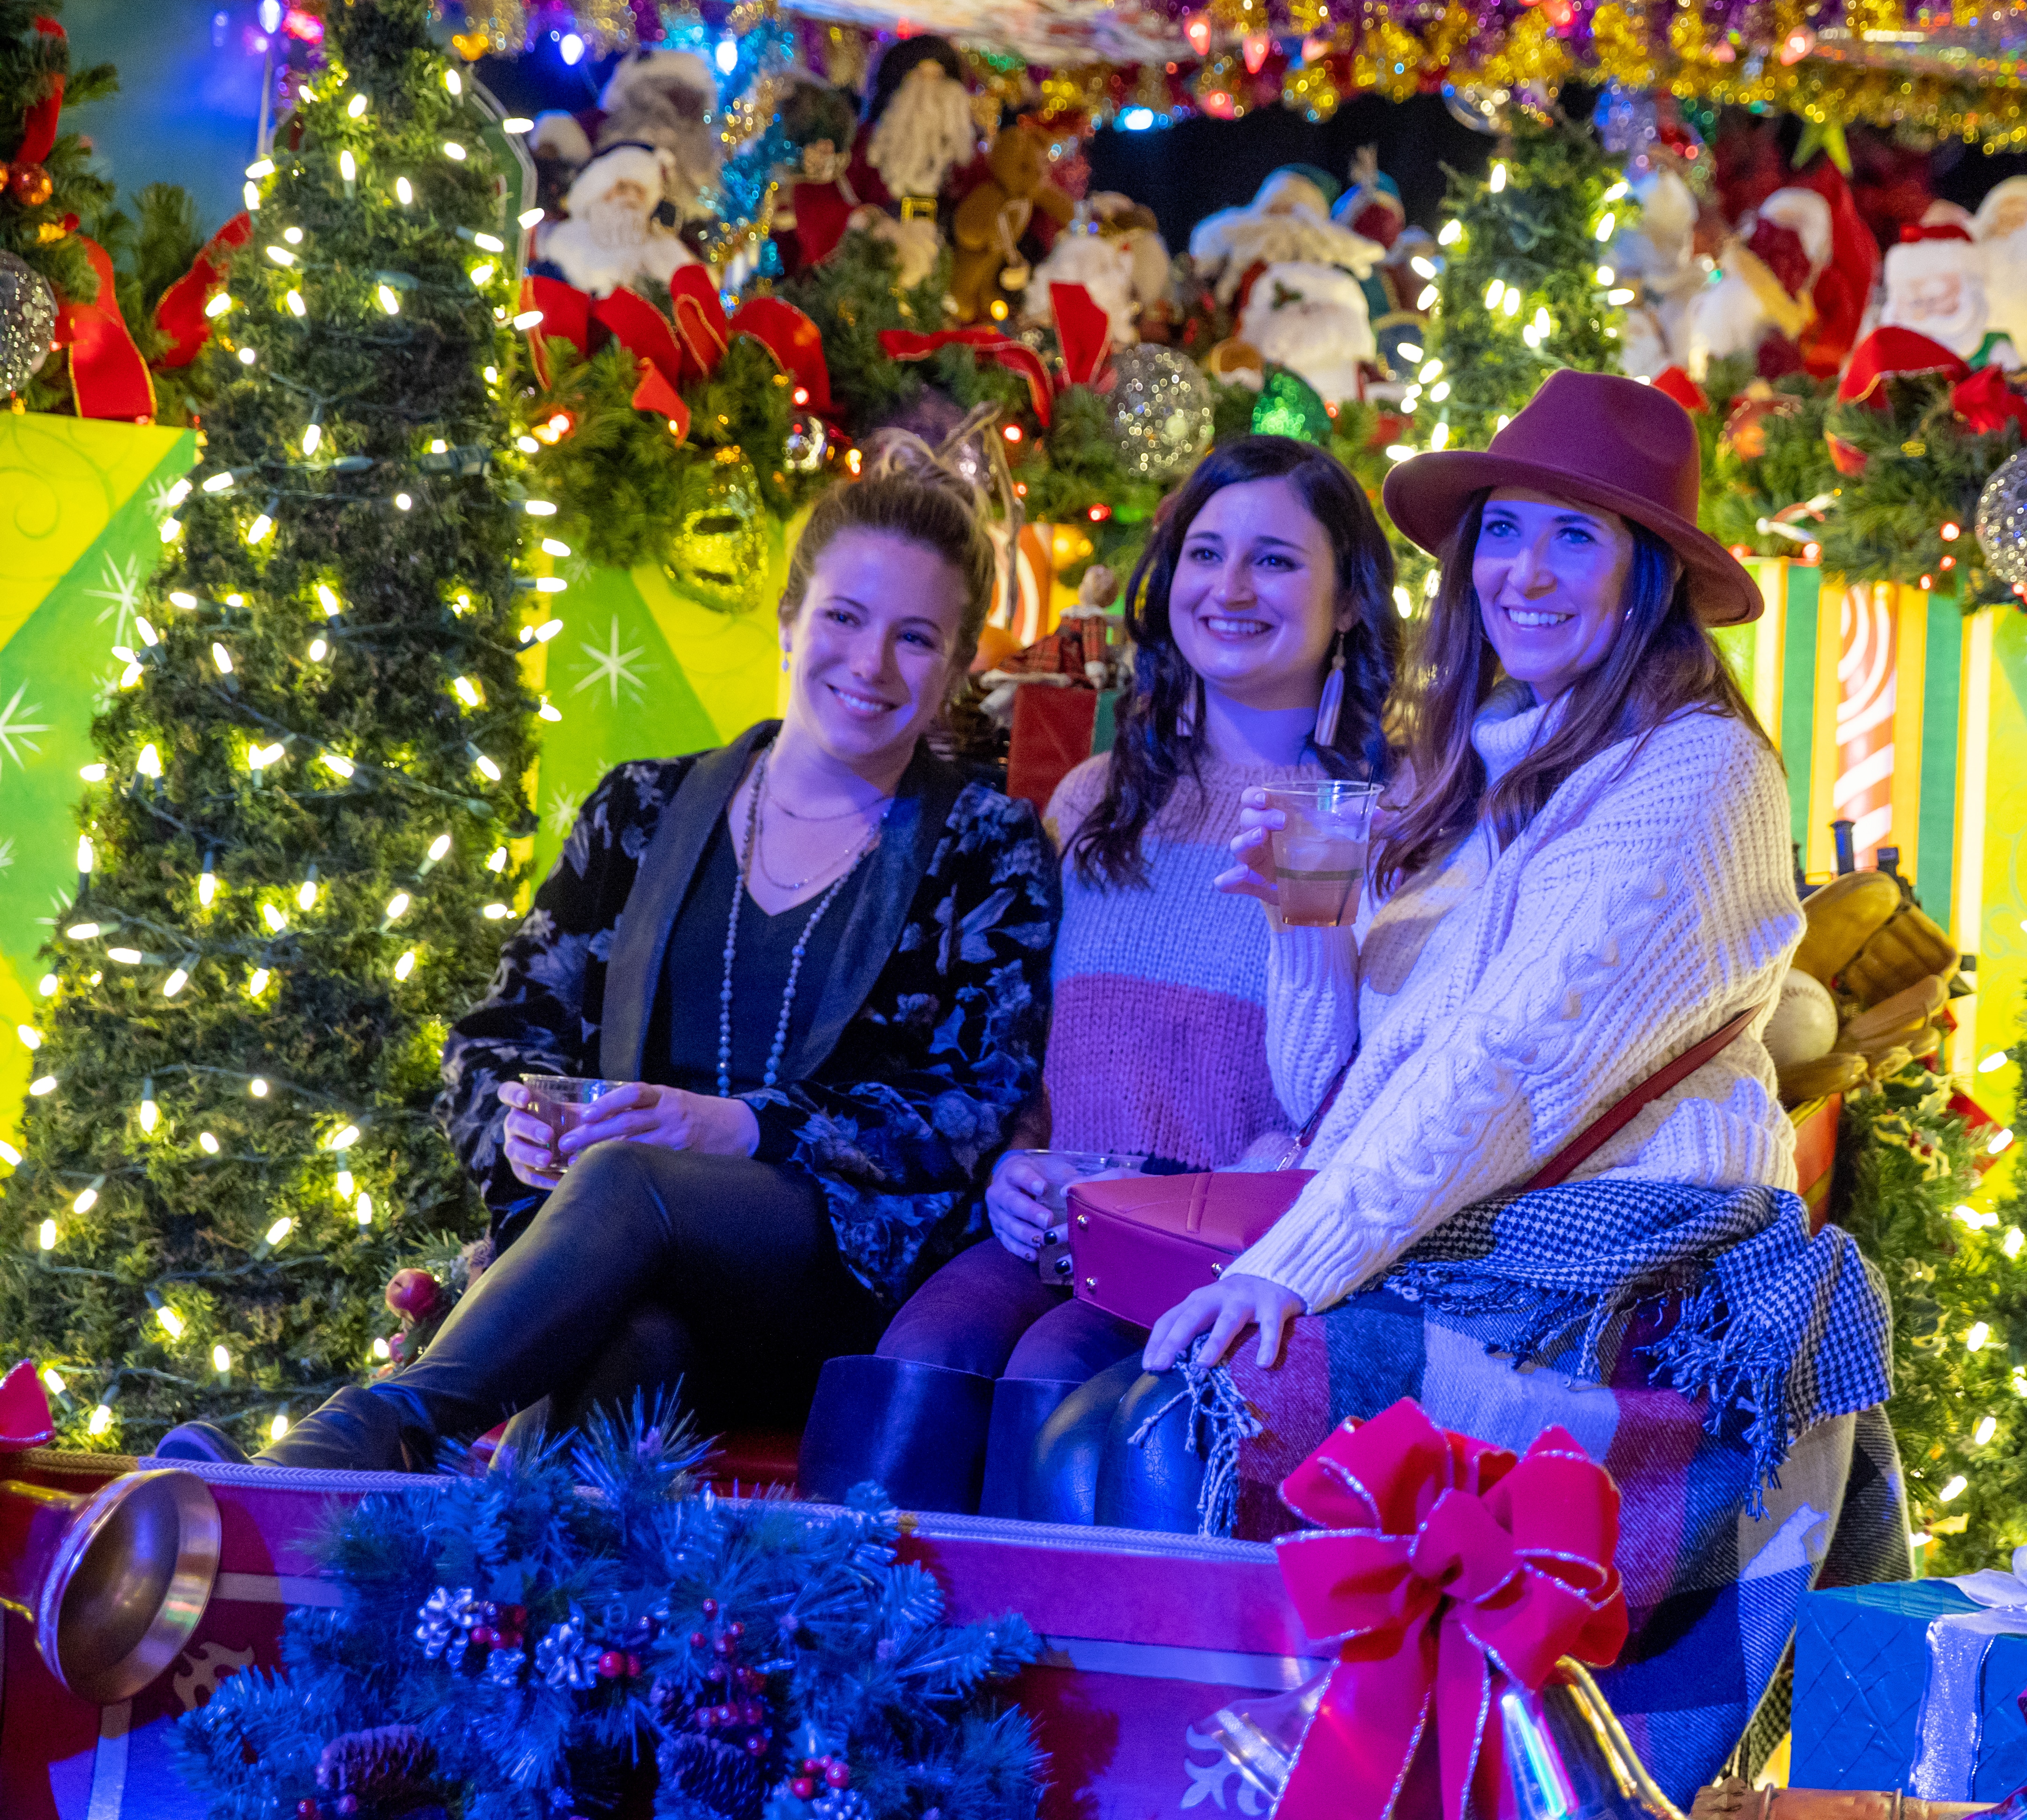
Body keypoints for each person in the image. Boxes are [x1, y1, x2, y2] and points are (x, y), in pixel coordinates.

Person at [158, 455, 1059, 1472]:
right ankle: (491, 1615)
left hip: (837, 1282)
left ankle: (342, 1450)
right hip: (626, 1278)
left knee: (631, 1174)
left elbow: (972, 1106)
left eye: (917, 637)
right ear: (790, 619)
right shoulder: (641, 810)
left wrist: (740, 1124)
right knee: (632, 1348)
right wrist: (528, 1121)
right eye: (846, 617)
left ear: (956, 664)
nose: (873, 663)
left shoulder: (985, 842)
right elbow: (501, 1032)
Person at [1147, 368, 1803, 1374]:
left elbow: (1517, 1057)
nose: (1523, 574)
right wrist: (1312, 925)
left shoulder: (1697, 772)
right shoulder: (1474, 763)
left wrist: (1293, 1263)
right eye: (1503, 530)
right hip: (1455, 1247)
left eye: (1575, 537)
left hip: (1620, 1277)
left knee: (1177, 1407)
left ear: (1652, 579)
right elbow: (1326, 1088)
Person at [800, 435, 1402, 1512]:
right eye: (1204, 552)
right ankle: (846, 1668)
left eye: (1275, 560)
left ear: (1348, 600)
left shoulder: (1368, 817)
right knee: (917, 1362)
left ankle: (1041, 1683)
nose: (1228, 586)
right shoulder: (1091, 800)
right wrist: (1015, 1165)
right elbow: (1020, 1043)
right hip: (1059, 1220)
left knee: (1051, 1381)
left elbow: (1375, 1086)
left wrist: (1176, 1190)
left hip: (1224, 1246)